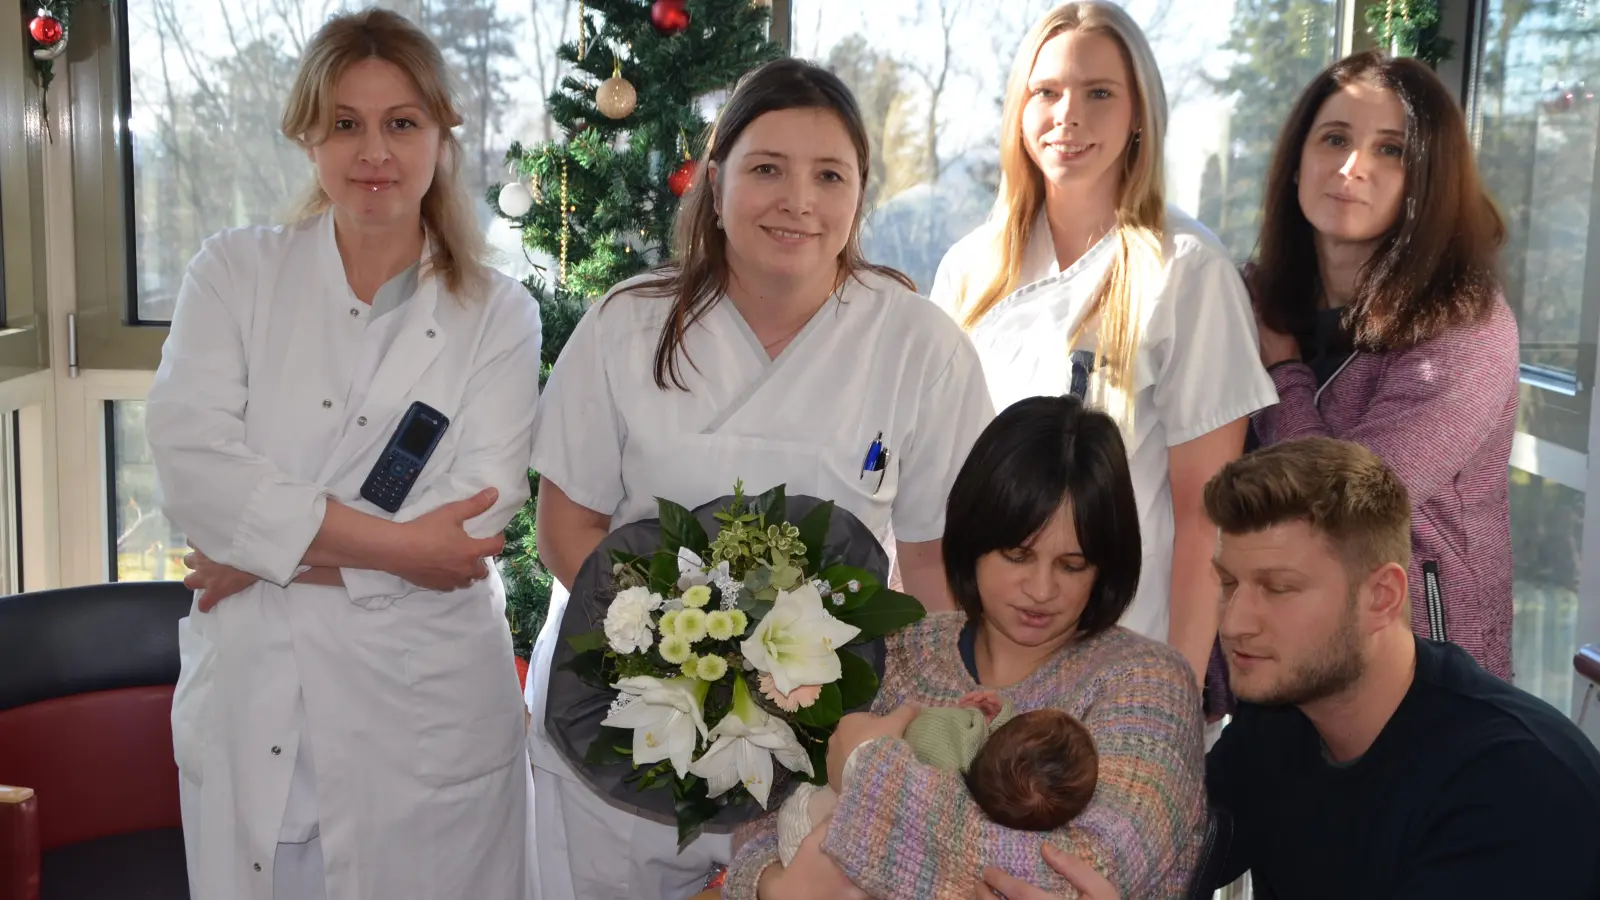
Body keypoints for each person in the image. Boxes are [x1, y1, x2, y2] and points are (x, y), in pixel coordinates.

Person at [523, 57, 996, 900]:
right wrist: (686, 663)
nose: (799, 201)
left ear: (859, 197)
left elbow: (929, 569)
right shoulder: (625, 326)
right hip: (621, 724)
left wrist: (833, 719)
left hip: (820, 753)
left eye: (829, 176)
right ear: (715, 182)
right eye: (767, 169)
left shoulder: (920, 349)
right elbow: (565, 529)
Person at [146, 9, 541, 899]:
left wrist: (259, 550)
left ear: (441, 135)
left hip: (423, 710)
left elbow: (475, 519)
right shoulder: (233, 274)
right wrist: (398, 548)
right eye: (346, 124)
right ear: (307, 138)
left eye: (402, 122)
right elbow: (192, 467)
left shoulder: (498, 314)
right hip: (257, 695)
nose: (375, 152)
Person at [991, 437, 1600, 900]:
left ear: (1381, 598)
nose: (1235, 624)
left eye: (1278, 589)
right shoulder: (1279, 720)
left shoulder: (1516, 789)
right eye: (1229, 583)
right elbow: (1164, 849)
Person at [724, 394, 1206, 900]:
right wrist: (775, 889)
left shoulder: (1147, 685)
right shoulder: (900, 649)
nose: (1041, 590)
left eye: (1072, 565)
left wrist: (866, 765)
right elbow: (762, 824)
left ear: (1107, 565)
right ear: (972, 540)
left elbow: (1074, 876)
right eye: (1017, 556)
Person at [929, 1, 1276, 684]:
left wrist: (1171, 693)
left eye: (1099, 94)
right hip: (982, 662)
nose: (1069, 117)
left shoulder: (1185, 271)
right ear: (1019, 110)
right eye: (1047, 92)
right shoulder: (968, 272)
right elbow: (934, 479)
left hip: (1119, 663)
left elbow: (1205, 517)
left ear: (1140, 112)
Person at [1247, 51, 1518, 680]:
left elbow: (1349, 505)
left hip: (1426, 675)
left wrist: (1284, 373)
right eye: (1335, 138)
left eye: (1391, 150)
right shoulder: (1252, 296)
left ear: (1428, 177)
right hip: (1283, 663)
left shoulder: (1467, 323)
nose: (1351, 168)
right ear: (1295, 164)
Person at [776, 691, 1098, 865]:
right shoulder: (993, 790)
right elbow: (1010, 759)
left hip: (810, 820)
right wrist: (1002, 715)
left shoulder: (942, 762)